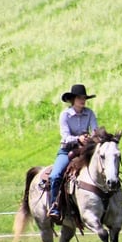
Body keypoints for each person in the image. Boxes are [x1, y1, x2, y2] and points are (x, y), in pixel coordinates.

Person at [48, 84, 98, 222]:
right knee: (56, 175)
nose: (83, 100)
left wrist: (92, 138)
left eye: (84, 98)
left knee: (104, 166)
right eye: (79, 98)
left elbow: (95, 131)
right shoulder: (65, 115)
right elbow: (65, 136)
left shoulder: (90, 113)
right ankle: (54, 206)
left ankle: (113, 202)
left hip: (85, 150)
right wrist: (78, 138)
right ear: (72, 100)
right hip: (67, 150)